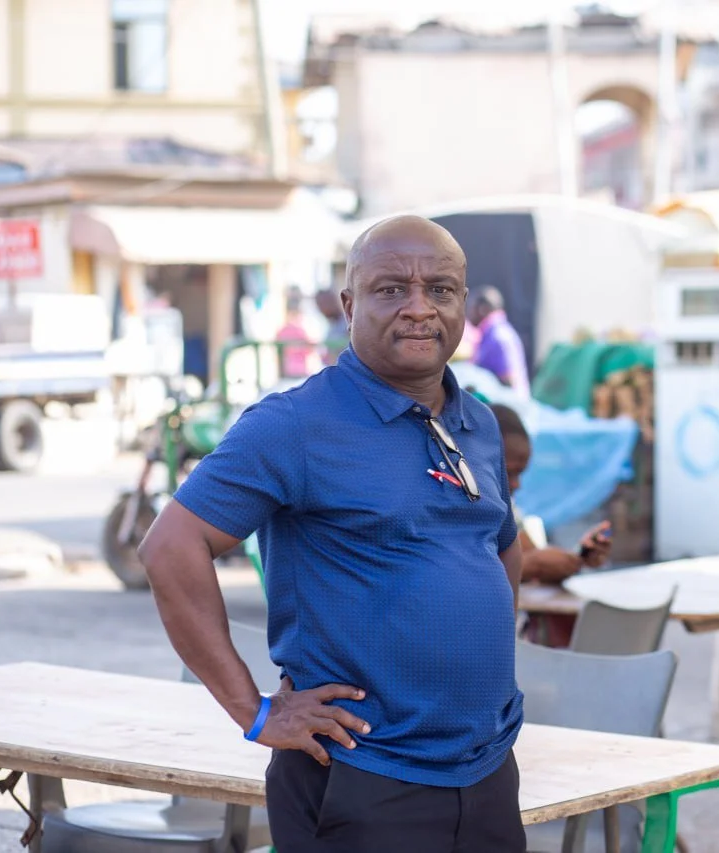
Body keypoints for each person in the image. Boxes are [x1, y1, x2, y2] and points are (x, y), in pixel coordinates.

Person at [137, 215, 527, 851]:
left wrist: (475, 670)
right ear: (349, 306)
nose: (420, 308)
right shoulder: (294, 425)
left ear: (463, 303)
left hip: (485, 769)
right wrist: (254, 710)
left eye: (440, 290)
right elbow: (170, 547)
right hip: (359, 771)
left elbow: (499, 545)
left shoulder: (478, 424)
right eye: (391, 289)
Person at [491, 403, 612, 648]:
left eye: (521, 474)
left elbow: (533, 557)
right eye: (509, 473)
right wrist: (532, 564)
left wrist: (576, 558)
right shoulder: (455, 509)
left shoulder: (506, 509)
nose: (517, 484)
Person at [469, 287, 530, 397]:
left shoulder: (498, 336)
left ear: (483, 309)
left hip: (508, 404)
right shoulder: (493, 332)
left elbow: (509, 381)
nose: (468, 313)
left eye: (471, 308)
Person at [314, 287, 348, 366]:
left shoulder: (349, 323)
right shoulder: (331, 326)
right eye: (318, 305)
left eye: (323, 304)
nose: (321, 309)